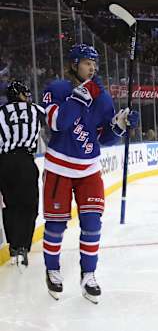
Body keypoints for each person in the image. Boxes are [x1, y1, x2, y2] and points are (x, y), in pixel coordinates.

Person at [41, 44, 139, 303]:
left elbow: (104, 138)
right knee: (55, 225)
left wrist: (119, 126)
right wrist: (80, 96)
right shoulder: (58, 89)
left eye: (94, 63)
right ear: (74, 64)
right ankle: (52, 269)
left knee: (92, 225)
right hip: (58, 167)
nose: (92, 68)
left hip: (89, 169)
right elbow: (57, 123)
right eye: (86, 62)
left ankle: (89, 274)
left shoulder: (102, 97)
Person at [0, 81, 44, 268]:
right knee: (30, 205)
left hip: (4, 162)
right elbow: (57, 120)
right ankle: (23, 246)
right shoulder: (35, 109)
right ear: (18, 94)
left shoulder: (1, 112)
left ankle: (13, 246)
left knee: (11, 205)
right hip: (25, 162)